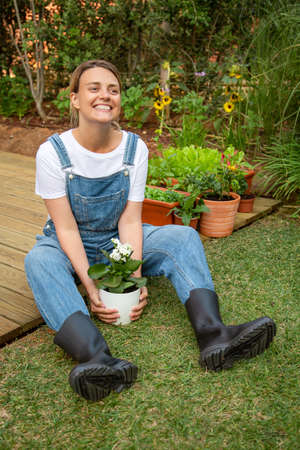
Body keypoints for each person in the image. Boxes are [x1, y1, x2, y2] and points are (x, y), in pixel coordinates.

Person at [25, 60, 276, 402]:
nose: (105, 96)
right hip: (67, 242)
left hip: (117, 240)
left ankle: (214, 335)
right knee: (38, 261)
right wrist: (92, 285)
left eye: (113, 90)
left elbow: (130, 220)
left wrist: (135, 279)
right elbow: (66, 227)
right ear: (75, 100)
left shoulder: (134, 148)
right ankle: (96, 358)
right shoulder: (52, 153)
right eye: (94, 88)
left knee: (184, 236)